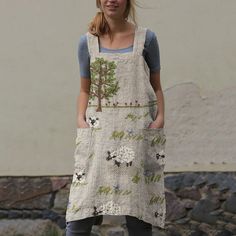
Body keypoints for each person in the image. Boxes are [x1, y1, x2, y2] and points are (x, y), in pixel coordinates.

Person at [65, 0, 166, 235]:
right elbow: (84, 89)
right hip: (97, 133)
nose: (112, 0)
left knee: (138, 208)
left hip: (137, 134)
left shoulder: (147, 38)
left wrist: (160, 116)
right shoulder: (87, 42)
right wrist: (80, 119)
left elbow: (156, 85)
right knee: (82, 205)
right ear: (99, 1)